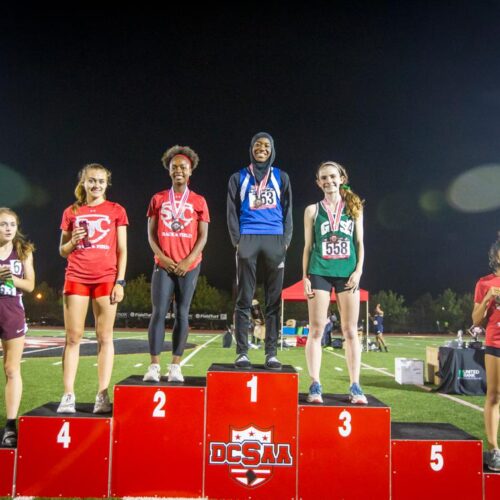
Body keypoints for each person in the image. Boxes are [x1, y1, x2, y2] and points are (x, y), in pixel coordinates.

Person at [57, 164, 128, 413]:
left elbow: (122, 249)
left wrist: (120, 281)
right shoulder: (71, 211)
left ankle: (102, 395)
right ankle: (68, 395)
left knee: (104, 337)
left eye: (100, 181)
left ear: (107, 184)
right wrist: (72, 242)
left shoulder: (116, 210)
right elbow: (62, 250)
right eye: (91, 181)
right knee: (73, 337)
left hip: (106, 278)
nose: (96, 185)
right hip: (76, 275)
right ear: (83, 182)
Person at [143, 145, 209, 383]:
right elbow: (151, 235)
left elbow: (203, 236)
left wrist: (188, 260)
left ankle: (175, 366)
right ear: (169, 171)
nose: (179, 170)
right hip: (164, 265)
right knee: (159, 312)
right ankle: (153, 366)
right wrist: (163, 258)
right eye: (174, 167)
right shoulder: (158, 198)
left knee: (182, 313)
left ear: (190, 171)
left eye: (183, 167)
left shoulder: (199, 201)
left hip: (189, 266)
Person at [227, 132, 292, 370]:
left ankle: (271, 353)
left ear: (272, 149)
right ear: (251, 149)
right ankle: (242, 352)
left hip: (275, 237)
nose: (261, 148)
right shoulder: (238, 177)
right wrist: (237, 240)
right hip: (248, 236)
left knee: (273, 300)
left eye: (266, 145)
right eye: (257, 145)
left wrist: (285, 240)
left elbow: (288, 210)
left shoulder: (281, 177)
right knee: (244, 298)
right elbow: (231, 210)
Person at [303, 161, 366, 404]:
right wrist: (304, 276)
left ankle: (355, 385)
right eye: (324, 178)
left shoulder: (354, 206)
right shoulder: (312, 210)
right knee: (316, 329)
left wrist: (359, 271)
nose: (329, 181)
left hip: (347, 273)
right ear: (318, 183)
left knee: (350, 330)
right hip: (319, 270)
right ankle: (315, 383)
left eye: (332, 176)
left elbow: (360, 243)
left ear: (341, 178)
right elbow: (308, 247)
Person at [0, 208, 35, 446]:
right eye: (3, 224)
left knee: (12, 369)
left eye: (12, 224)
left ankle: (10, 425)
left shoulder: (23, 250)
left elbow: (31, 285)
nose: (9, 228)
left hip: (12, 312)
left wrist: (8, 278)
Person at [472, 237, 500, 471]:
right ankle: (494, 449)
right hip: (496, 343)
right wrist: (488, 297)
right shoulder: (484, 283)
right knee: (495, 395)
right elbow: (475, 319)